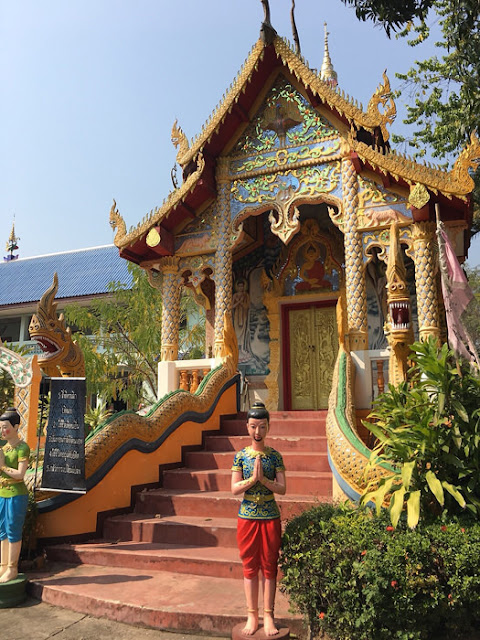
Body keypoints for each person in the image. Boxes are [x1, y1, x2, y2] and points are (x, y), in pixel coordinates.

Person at [231, 401, 286, 636]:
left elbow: (282, 488)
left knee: (269, 565)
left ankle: (269, 615)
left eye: (262, 427)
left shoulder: (274, 457)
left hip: (270, 515)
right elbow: (234, 489)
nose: (257, 432)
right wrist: (253, 480)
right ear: (247, 427)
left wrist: (265, 481)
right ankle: (251, 615)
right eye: (253, 426)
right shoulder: (241, 456)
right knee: (250, 566)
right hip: (248, 516)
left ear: (268, 427)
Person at [0, 407, 30, 583]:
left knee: (12, 529)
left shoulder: (22, 448)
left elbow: (20, 474)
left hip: (16, 494)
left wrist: (3, 466)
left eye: (6, 427)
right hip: (2, 493)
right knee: (1, 530)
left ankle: (12, 567)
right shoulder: (3, 448)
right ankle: (3, 565)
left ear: (16, 426)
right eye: (1, 427)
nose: (3, 431)